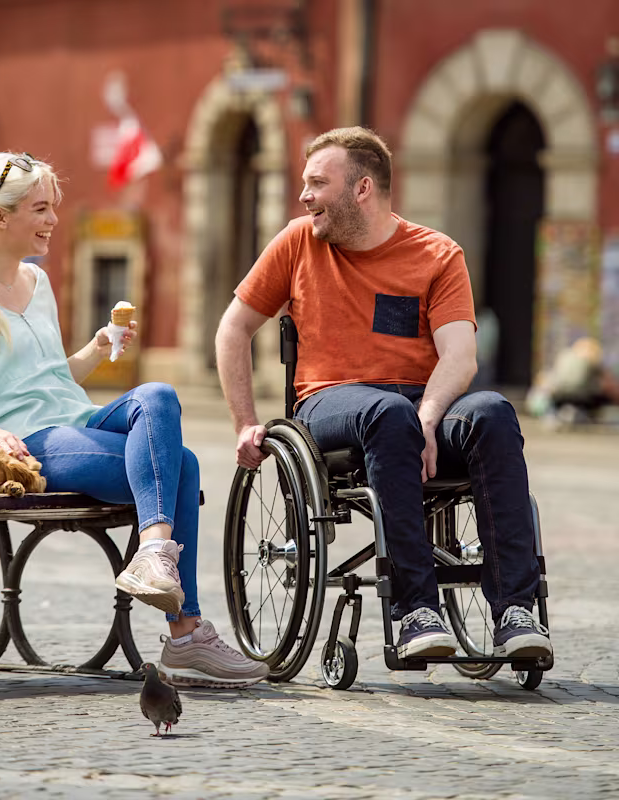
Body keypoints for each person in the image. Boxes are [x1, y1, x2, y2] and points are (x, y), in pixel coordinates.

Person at [0, 151, 268, 689]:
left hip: (72, 424)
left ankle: (154, 553)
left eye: (52, 207)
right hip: (23, 444)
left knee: (158, 395)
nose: (53, 219)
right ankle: (185, 632)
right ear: (0, 215)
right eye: (40, 208)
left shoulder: (37, 283)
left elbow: (52, 380)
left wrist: (96, 349)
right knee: (184, 466)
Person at [215, 127, 552, 662]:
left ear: (363, 188)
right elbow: (233, 329)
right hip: (331, 405)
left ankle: (515, 610)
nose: (304, 196)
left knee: (492, 412)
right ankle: (416, 610)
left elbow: (460, 356)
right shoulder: (297, 242)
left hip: (419, 405)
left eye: (317, 183)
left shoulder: (437, 253)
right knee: (387, 413)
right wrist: (244, 422)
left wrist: (429, 416)